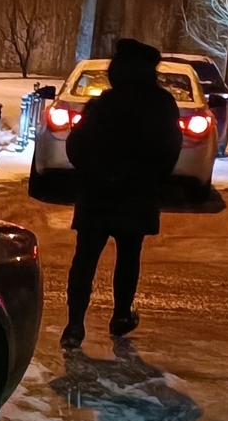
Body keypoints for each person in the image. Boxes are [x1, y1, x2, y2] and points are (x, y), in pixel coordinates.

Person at [61, 38, 184, 348]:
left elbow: (75, 147)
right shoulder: (162, 105)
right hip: (136, 195)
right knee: (129, 257)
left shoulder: (102, 105)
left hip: (97, 196)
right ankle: (120, 316)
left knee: (85, 259)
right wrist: (152, 179)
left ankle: (74, 325)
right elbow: (169, 149)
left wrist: (95, 174)